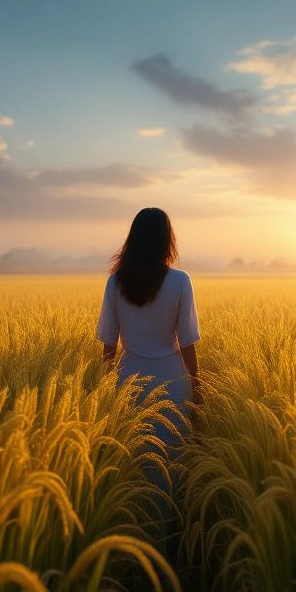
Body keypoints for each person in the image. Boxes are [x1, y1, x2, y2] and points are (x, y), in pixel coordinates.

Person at [96, 207, 201, 502]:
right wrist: (198, 388)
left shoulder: (116, 282)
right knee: (172, 462)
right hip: (173, 382)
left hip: (130, 381)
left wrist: (107, 388)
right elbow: (188, 341)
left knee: (136, 459)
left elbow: (108, 345)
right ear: (167, 240)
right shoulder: (180, 281)